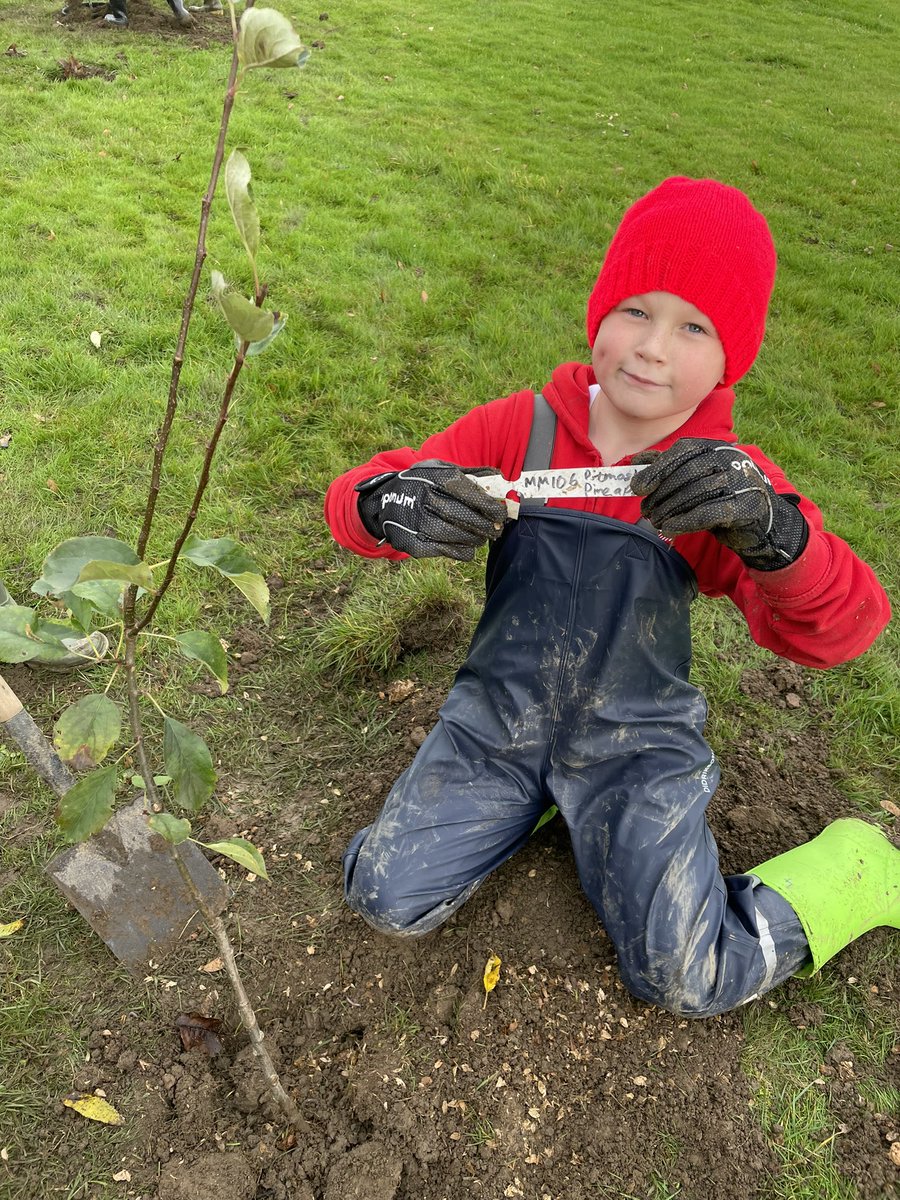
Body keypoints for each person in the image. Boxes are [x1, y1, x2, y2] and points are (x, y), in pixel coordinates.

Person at [323, 177, 896, 1017]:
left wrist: (779, 535)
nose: (653, 348)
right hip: (500, 719)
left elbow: (844, 627)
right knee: (383, 893)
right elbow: (359, 496)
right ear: (599, 313)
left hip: (635, 744)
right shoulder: (520, 429)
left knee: (684, 978)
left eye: (694, 327)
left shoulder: (723, 485)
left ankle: (852, 871)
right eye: (636, 309)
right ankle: (537, 800)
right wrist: (388, 501)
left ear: (731, 354)